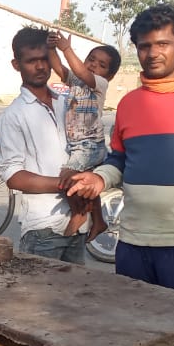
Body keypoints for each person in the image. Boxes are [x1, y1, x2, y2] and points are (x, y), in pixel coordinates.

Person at [65, 4, 174, 293]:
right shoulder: (129, 103)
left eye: (163, 44)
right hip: (132, 243)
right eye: (145, 46)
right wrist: (100, 178)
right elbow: (120, 159)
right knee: (135, 329)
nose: (153, 53)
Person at [0, 27, 83, 262]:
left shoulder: (68, 102)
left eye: (45, 59)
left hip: (78, 226)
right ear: (17, 65)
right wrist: (65, 185)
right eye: (32, 61)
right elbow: (13, 175)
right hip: (43, 228)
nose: (41, 66)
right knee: (40, 297)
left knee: (77, 297)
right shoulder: (13, 115)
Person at [45, 31, 121, 239]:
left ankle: (79, 214)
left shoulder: (99, 84)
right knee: (86, 185)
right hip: (77, 144)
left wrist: (67, 49)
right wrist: (51, 48)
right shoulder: (77, 81)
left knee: (67, 178)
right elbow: (59, 68)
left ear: (109, 75)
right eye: (91, 60)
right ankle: (98, 221)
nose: (94, 65)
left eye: (101, 65)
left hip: (89, 145)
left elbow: (82, 72)